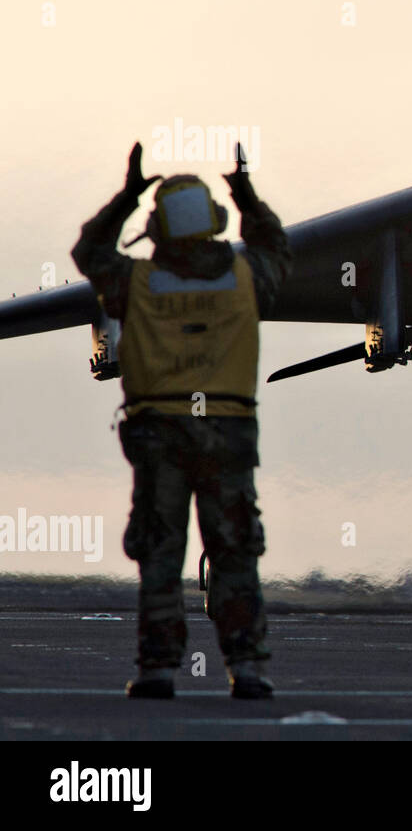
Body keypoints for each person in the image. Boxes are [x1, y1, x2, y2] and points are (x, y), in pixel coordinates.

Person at [71, 141, 291, 699]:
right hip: (229, 433)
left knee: (160, 551)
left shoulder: (134, 283)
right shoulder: (247, 278)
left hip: (159, 434)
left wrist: (126, 193)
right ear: (215, 223)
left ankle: (157, 671)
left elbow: (88, 249)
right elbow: (274, 242)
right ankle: (249, 669)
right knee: (235, 549)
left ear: (158, 228)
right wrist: (244, 190)